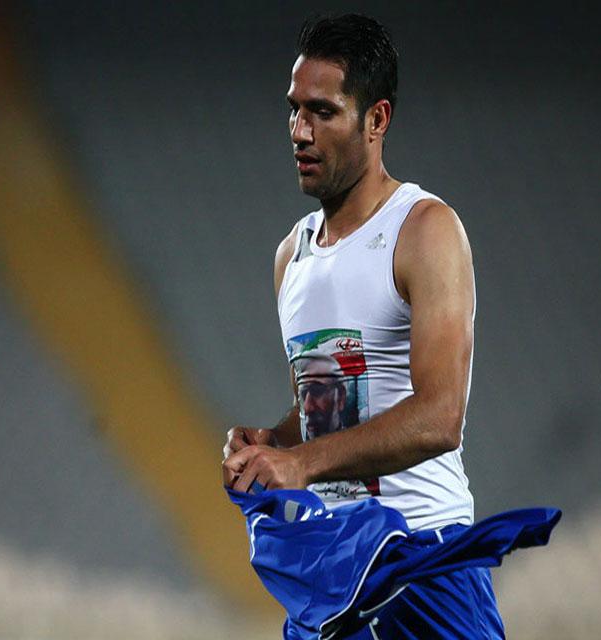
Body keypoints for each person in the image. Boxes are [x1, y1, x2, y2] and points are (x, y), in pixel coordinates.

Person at [222, 14, 505, 637]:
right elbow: (334, 404)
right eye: (295, 110)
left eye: (322, 112)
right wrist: (275, 443)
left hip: (425, 562)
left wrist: (302, 463)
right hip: (337, 570)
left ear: (376, 119)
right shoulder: (291, 256)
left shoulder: (424, 230)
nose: (300, 131)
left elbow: (440, 417)